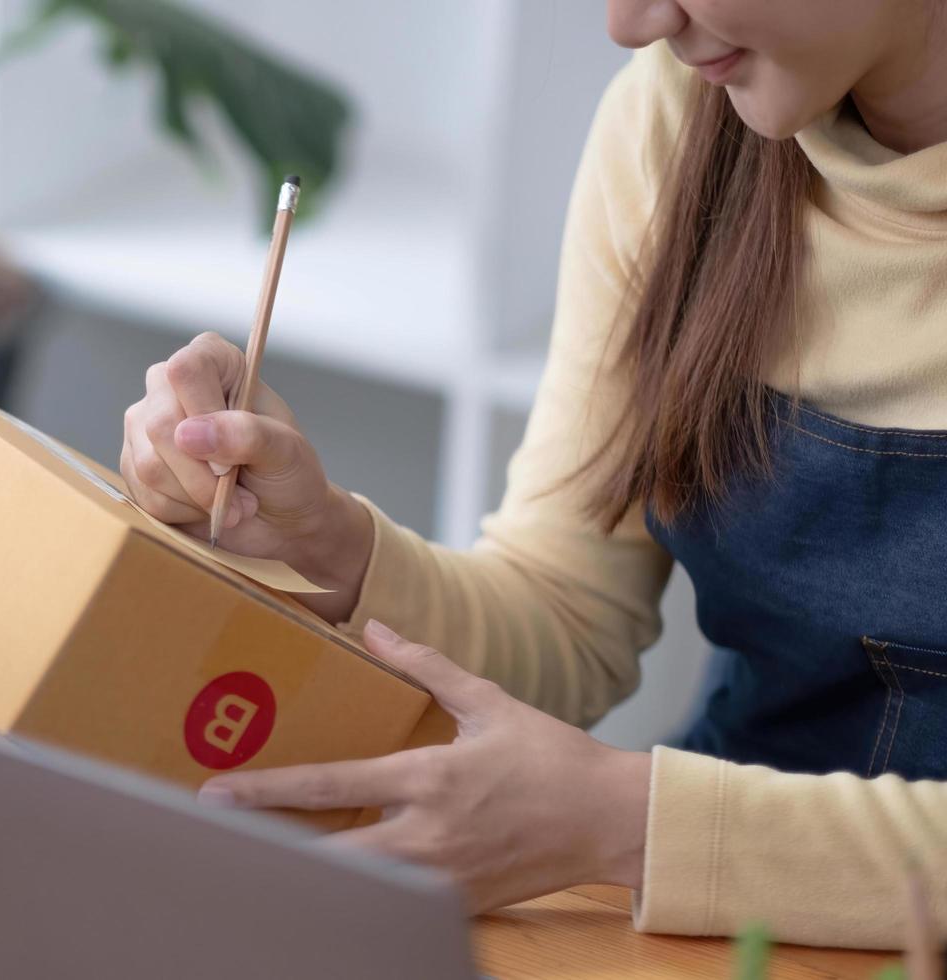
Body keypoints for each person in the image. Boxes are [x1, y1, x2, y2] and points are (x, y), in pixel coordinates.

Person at [121, 0, 947, 950]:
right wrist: (327, 543)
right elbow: (566, 618)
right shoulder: (677, 125)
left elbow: (630, 820)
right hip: (695, 920)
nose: (633, 23)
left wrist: (628, 823)